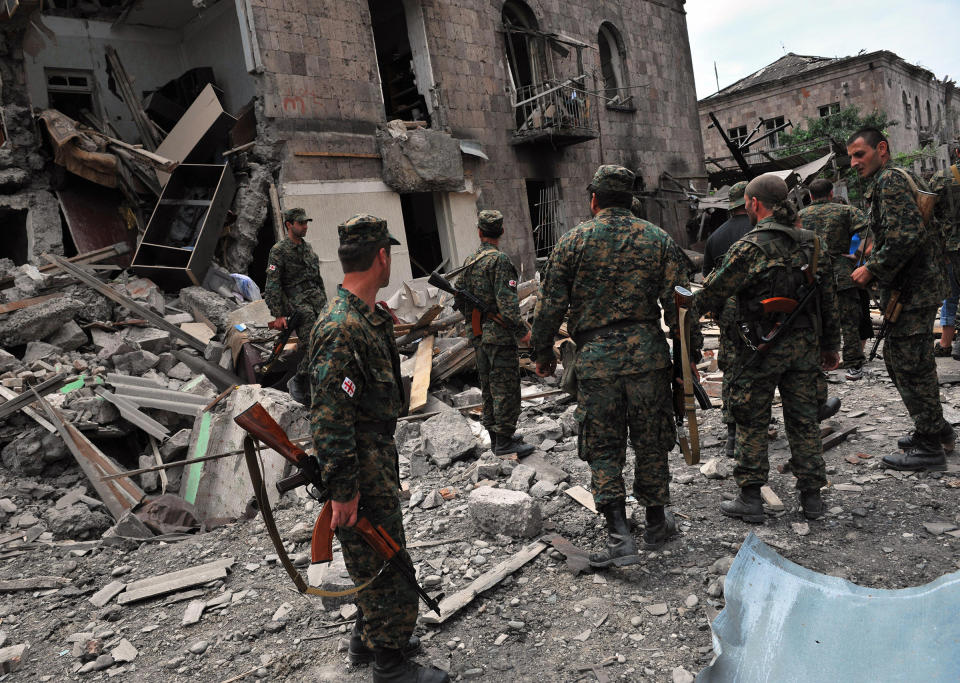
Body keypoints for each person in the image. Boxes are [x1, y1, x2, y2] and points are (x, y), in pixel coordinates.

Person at [530, 164, 700, 568]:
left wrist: (541, 354)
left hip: (596, 361)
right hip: (648, 356)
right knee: (651, 437)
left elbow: (549, 306)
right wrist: (685, 360)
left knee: (604, 444)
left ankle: (618, 533)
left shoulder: (571, 243)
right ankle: (657, 521)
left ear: (593, 199)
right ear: (631, 200)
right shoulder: (658, 240)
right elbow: (681, 308)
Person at [308, 214, 448, 683]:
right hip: (360, 461)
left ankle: (369, 640)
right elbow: (330, 417)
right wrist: (343, 490)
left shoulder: (363, 315)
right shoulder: (342, 327)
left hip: (374, 453)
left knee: (377, 550)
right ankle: (391, 666)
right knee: (385, 557)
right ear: (382, 257)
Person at [692, 174, 841, 523]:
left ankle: (750, 498)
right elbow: (828, 300)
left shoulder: (749, 247)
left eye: (746, 202)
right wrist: (831, 345)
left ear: (754, 204)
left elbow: (710, 293)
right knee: (804, 421)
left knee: (751, 422)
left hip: (756, 348)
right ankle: (812, 499)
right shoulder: (812, 244)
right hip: (803, 347)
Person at [848, 128, 953, 470]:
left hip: (913, 289)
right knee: (903, 360)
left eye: (859, 154)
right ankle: (935, 429)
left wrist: (871, 269)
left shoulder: (889, 181)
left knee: (910, 364)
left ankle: (929, 443)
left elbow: (908, 236)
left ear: (881, 149)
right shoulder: (890, 180)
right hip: (913, 287)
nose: (854, 163)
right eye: (851, 157)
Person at [455, 210, 534, 456]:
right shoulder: (499, 261)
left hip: (478, 336)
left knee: (489, 387)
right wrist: (523, 332)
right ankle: (505, 442)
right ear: (500, 232)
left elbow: (458, 297)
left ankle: (496, 435)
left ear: (479, 232)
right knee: (506, 389)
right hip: (498, 337)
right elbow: (508, 307)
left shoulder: (470, 260)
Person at [799, 179, 868, 380]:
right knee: (849, 318)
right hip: (840, 270)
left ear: (810, 196)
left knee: (815, 318)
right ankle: (854, 364)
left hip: (812, 273)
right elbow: (869, 232)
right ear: (831, 193)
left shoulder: (800, 216)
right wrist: (859, 257)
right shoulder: (847, 211)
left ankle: (819, 363)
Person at [703, 181, 752, 457]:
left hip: (730, 316)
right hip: (766, 313)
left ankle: (732, 434)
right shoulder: (761, 230)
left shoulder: (716, 237)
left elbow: (708, 282)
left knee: (732, 371)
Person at [265, 207, 328, 405]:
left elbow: (317, 278)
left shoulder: (308, 248)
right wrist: (278, 314)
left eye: (306, 223)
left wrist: (326, 303)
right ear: (289, 225)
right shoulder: (279, 251)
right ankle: (299, 380)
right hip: (299, 305)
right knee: (313, 344)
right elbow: (273, 283)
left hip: (317, 301)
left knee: (330, 340)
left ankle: (319, 385)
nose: (305, 226)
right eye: (301, 223)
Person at [930, 150, 960, 360]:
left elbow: (927, 213)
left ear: (957, 151)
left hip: (951, 248)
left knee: (950, 295)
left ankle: (946, 343)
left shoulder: (942, 177)